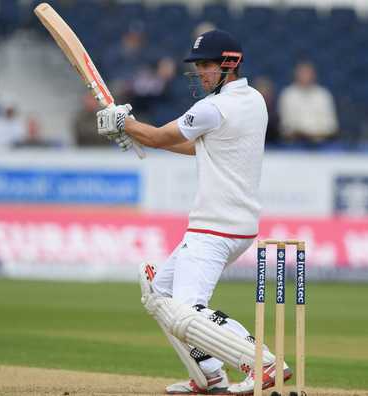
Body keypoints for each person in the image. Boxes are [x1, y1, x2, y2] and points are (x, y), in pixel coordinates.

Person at [96, 30, 287, 395]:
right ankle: (211, 375)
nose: (200, 72)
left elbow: (161, 137)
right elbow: (196, 147)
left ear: (229, 64)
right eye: (198, 65)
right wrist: (137, 133)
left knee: (186, 311)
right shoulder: (255, 101)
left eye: (206, 65)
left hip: (215, 227)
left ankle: (263, 361)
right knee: (158, 294)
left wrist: (124, 123)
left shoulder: (213, 108)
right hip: (235, 225)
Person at [278, 61, 338, 144]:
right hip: (294, 145)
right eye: (302, 73)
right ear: (296, 74)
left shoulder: (323, 95)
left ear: (314, 75)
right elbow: (286, 126)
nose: (305, 76)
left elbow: (331, 126)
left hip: (322, 145)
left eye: (308, 73)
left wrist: (315, 135)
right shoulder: (288, 95)